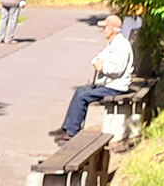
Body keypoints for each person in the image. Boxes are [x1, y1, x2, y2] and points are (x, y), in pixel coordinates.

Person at [50, 14, 133, 143]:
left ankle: (73, 131)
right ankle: (67, 127)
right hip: (108, 84)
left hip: (115, 87)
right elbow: (98, 57)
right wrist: (97, 62)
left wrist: (102, 67)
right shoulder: (112, 43)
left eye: (105, 27)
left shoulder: (121, 45)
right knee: (80, 92)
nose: (103, 30)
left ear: (112, 29)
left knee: (83, 96)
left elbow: (117, 69)